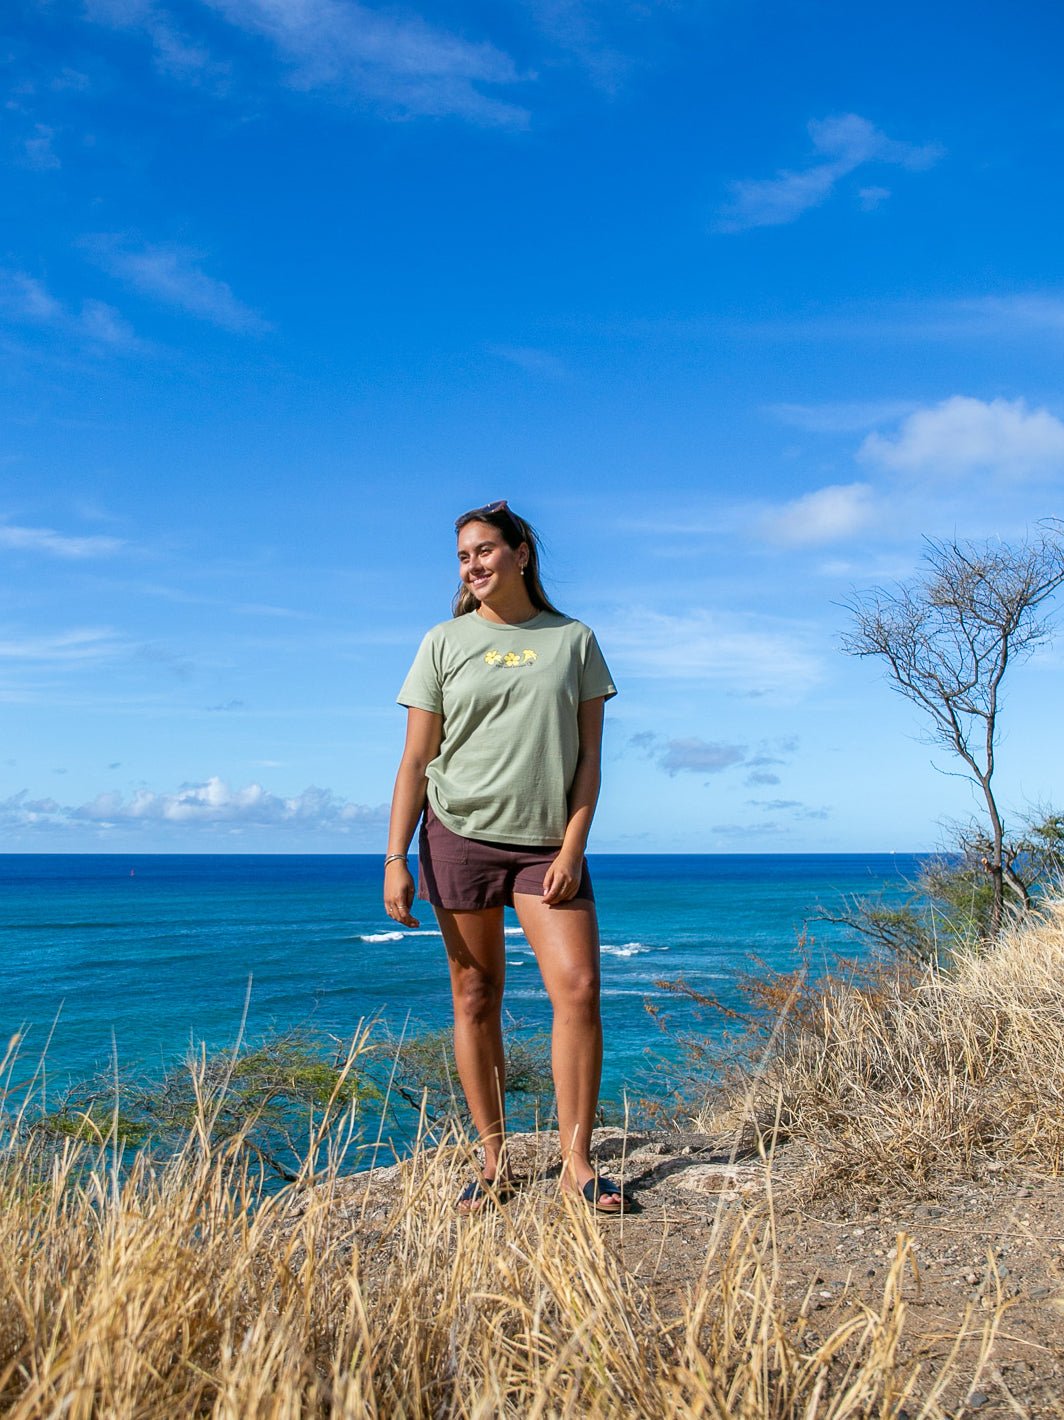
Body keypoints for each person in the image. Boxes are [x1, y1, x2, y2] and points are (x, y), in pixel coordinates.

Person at [383, 499, 627, 1214]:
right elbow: (416, 759)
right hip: (456, 833)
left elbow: (589, 761)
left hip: (547, 842)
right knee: (475, 995)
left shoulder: (573, 640)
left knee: (578, 988)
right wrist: (395, 856)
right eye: (463, 556)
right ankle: (493, 1158)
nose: (473, 565)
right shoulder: (443, 642)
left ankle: (576, 1161)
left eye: (485, 550)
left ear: (521, 554)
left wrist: (574, 845)